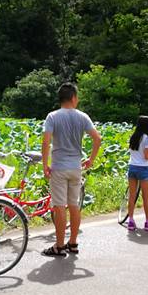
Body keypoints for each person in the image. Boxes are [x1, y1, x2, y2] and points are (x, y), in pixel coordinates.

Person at [41, 82, 102, 257]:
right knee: (74, 205)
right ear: (74, 98)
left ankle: (59, 246)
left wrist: (45, 164)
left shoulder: (52, 116)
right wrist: (90, 159)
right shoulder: (83, 117)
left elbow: (46, 142)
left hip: (59, 168)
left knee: (59, 207)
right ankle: (73, 243)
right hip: (76, 168)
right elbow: (97, 139)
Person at [125, 115, 148, 232]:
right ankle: (147, 222)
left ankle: (130, 221)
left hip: (132, 167)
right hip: (143, 168)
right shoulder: (147, 138)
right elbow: (147, 156)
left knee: (132, 196)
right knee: (145, 196)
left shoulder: (133, 137)